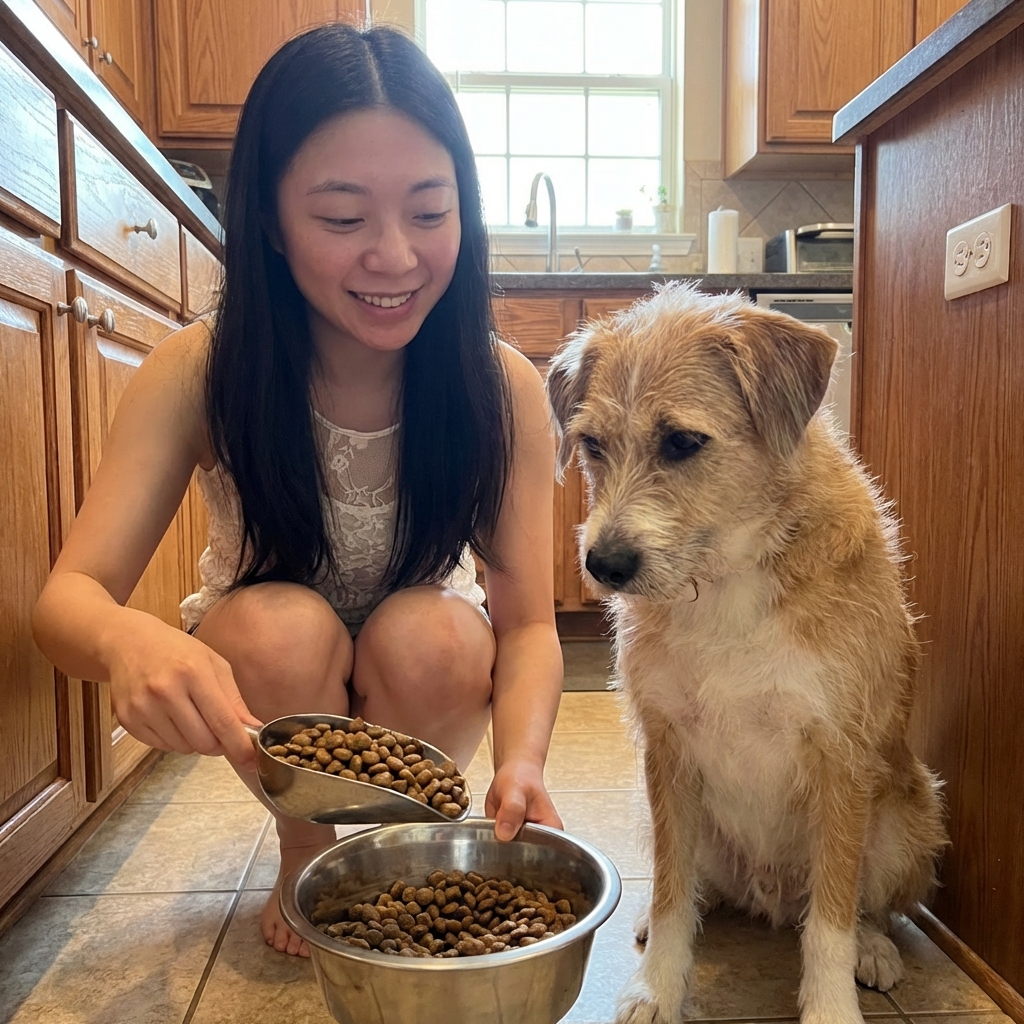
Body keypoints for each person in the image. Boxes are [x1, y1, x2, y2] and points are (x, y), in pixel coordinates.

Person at [32, 23, 564, 958]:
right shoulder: (200, 370)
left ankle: (397, 855)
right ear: (272, 222)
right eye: (344, 219)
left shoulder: (503, 386)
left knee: (437, 630)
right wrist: (127, 640)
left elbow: (524, 627)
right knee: (277, 625)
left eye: (431, 212)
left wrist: (522, 764)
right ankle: (305, 849)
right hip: (273, 672)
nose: (395, 257)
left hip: (422, 671)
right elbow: (65, 601)